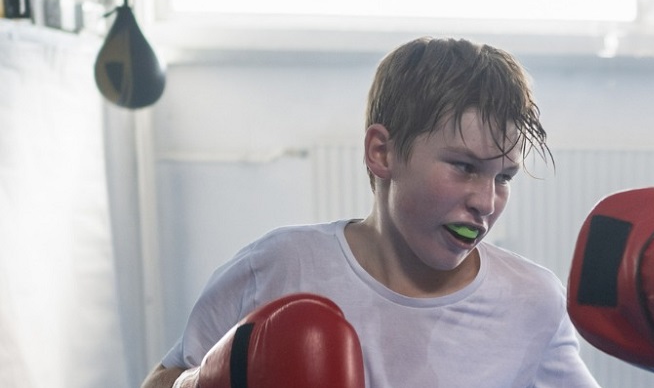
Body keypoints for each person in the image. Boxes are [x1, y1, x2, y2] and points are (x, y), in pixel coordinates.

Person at [142, 37, 600, 387]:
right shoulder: (283, 266)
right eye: (464, 167)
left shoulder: (532, 300)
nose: (486, 201)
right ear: (382, 152)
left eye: (504, 178)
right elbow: (167, 377)